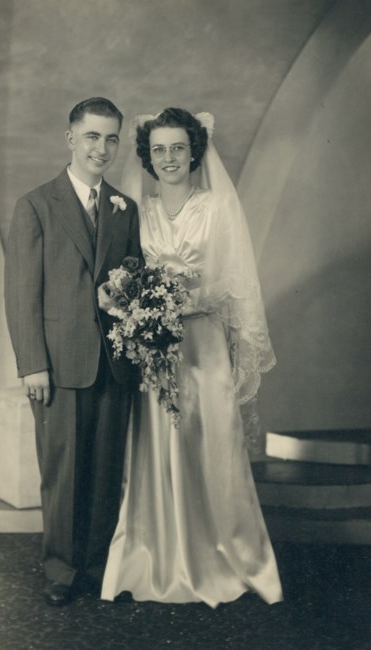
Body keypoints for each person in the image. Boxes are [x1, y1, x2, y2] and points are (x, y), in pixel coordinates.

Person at [101, 108, 283, 608]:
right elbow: (124, 273)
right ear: (148, 157)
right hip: (154, 348)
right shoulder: (139, 210)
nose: (168, 158)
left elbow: (235, 279)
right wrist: (136, 305)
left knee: (211, 446)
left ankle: (226, 555)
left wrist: (185, 301)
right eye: (158, 149)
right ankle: (158, 555)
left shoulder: (217, 206)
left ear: (194, 151)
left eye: (178, 148)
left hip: (204, 345)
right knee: (158, 447)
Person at [4, 97, 141, 606]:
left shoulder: (124, 208)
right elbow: (22, 294)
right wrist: (33, 364)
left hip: (113, 363)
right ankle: (61, 570)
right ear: (71, 139)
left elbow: (132, 282)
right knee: (62, 471)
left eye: (111, 139)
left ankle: (99, 567)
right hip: (58, 365)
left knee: (105, 470)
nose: (101, 148)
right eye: (91, 137)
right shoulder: (36, 205)